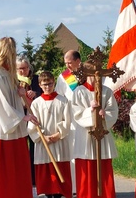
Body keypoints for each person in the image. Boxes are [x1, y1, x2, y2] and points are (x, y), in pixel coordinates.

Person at [0, 36, 39, 198]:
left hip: (14, 129)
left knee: (18, 169)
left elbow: (11, 97)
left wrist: (19, 92)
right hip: (3, 130)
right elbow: (1, 103)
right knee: (5, 172)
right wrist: (22, 117)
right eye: (12, 50)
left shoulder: (8, 72)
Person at [71, 61, 119, 198]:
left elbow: (113, 111)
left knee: (103, 169)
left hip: (102, 135)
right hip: (85, 136)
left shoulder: (107, 92)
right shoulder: (79, 92)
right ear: (86, 75)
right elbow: (76, 114)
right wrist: (90, 110)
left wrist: (105, 115)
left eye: (99, 76)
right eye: (92, 76)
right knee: (87, 169)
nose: (96, 79)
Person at [28, 71, 72, 198]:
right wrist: (42, 136)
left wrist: (58, 135)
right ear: (40, 85)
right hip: (44, 143)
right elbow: (32, 125)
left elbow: (67, 121)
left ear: (54, 83)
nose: (48, 87)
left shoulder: (63, 101)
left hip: (59, 141)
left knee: (60, 176)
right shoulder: (36, 104)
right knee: (48, 179)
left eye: (50, 83)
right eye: (45, 84)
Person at [55, 50, 81, 196]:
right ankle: (74, 188)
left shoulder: (88, 74)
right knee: (72, 152)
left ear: (78, 61)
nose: (68, 66)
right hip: (72, 121)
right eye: (66, 63)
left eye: (70, 63)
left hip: (87, 119)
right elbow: (60, 98)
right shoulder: (64, 77)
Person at [16, 54, 42, 195]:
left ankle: (34, 177)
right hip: (20, 116)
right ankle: (23, 175)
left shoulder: (36, 79)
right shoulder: (13, 80)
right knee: (21, 147)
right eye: (19, 69)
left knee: (34, 146)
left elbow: (43, 92)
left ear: (29, 68)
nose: (22, 71)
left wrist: (35, 93)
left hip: (33, 115)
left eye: (25, 68)